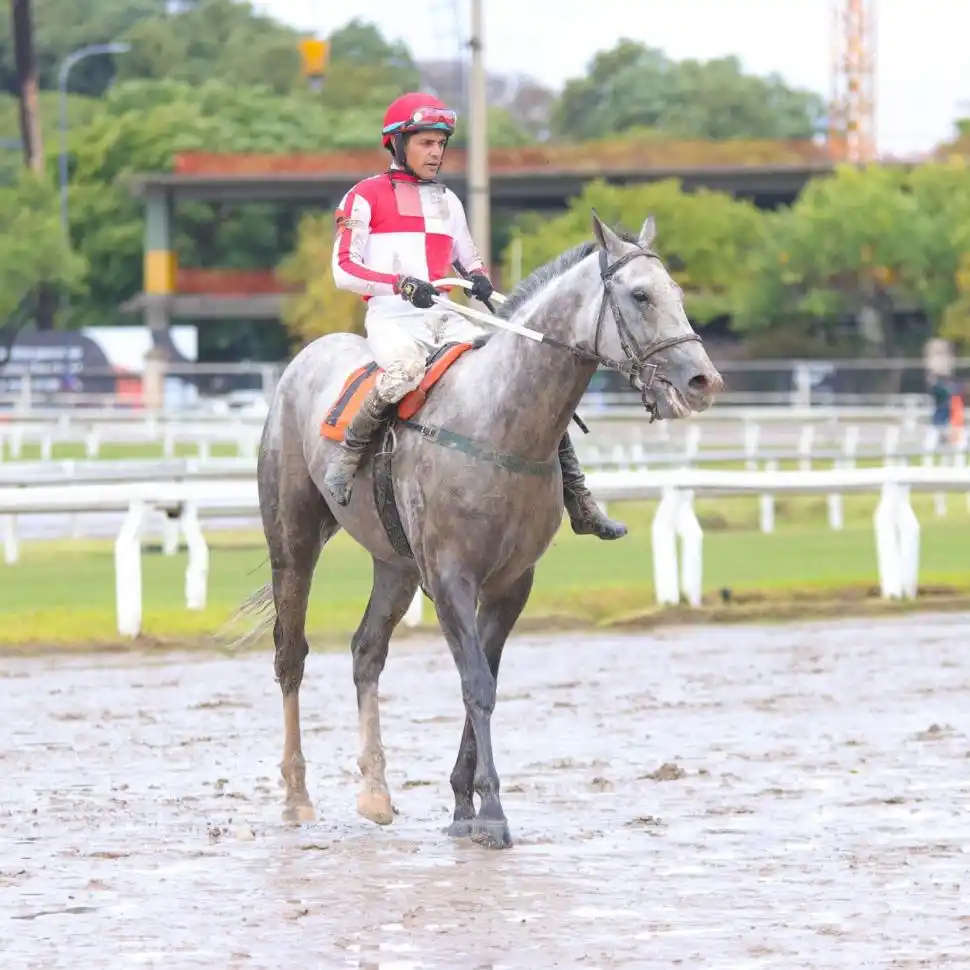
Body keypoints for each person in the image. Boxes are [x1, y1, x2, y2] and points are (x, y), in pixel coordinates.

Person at [324, 91, 626, 541]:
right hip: (393, 318)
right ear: (397, 143)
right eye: (425, 142)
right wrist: (400, 283)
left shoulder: (449, 201)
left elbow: (467, 259)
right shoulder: (363, 197)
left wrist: (481, 279)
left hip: (446, 313)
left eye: (440, 144)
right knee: (403, 372)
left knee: (513, 377)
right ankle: (347, 459)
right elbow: (343, 269)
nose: (436, 152)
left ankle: (578, 498)